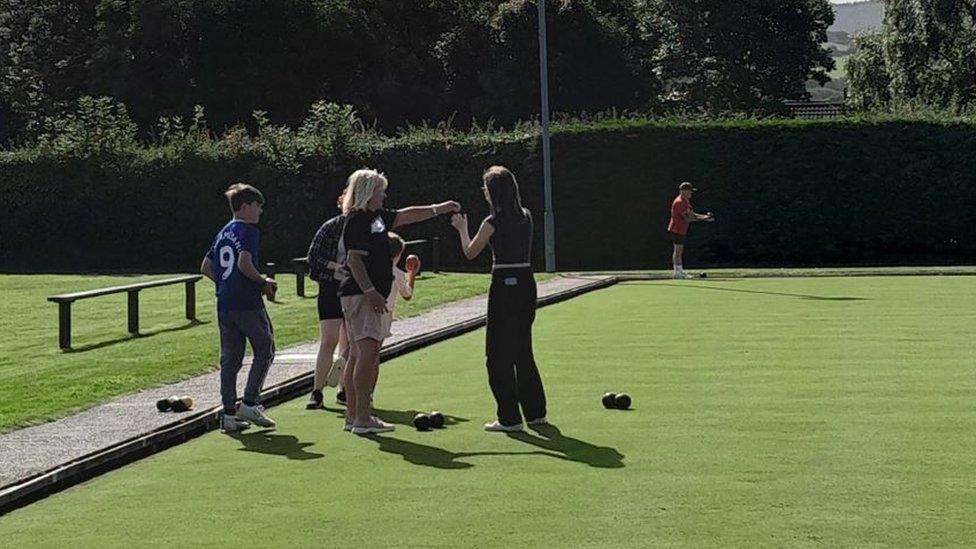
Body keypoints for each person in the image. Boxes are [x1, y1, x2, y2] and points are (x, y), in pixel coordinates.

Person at [339, 168, 459, 435]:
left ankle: (353, 417)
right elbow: (354, 260)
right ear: (368, 193)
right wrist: (370, 291)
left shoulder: (377, 218)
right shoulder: (357, 220)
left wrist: (438, 208)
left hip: (365, 294)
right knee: (366, 357)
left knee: (358, 355)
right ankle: (362, 419)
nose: (384, 196)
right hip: (361, 295)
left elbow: (406, 215)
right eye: (380, 191)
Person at [450, 165, 547, 432]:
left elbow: (470, 252)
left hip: (504, 284)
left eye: (485, 188)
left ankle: (509, 418)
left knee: (497, 353)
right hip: (526, 282)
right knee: (522, 350)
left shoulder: (491, 222)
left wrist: (461, 227)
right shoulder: (525, 216)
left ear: (492, 193)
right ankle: (536, 413)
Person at [200, 182, 278, 433]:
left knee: (230, 359)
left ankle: (228, 414)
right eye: (258, 206)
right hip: (247, 302)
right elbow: (245, 263)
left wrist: (225, 283)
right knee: (265, 349)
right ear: (245, 206)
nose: (260, 212)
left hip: (225, 302)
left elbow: (206, 266)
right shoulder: (248, 230)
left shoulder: (223, 231)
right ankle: (250, 401)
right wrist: (263, 281)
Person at [339, 232, 420, 431]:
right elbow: (407, 294)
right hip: (381, 314)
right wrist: (412, 273)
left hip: (355, 308)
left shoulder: (368, 268)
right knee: (370, 357)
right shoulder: (394, 272)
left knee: (356, 355)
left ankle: (353, 412)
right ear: (397, 254)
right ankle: (365, 406)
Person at [306, 193, 351, 410]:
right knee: (328, 340)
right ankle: (317, 391)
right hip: (331, 288)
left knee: (350, 341)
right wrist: (335, 267)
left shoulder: (369, 227)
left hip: (356, 289)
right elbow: (313, 258)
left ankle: (345, 389)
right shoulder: (331, 227)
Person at [667, 181, 714, 279]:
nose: (691, 193)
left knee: (679, 250)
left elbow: (692, 214)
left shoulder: (686, 201)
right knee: (678, 250)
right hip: (676, 229)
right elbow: (688, 219)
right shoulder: (679, 202)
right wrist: (704, 219)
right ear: (683, 191)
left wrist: (705, 217)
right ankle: (677, 273)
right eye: (689, 191)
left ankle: (679, 272)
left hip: (681, 229)